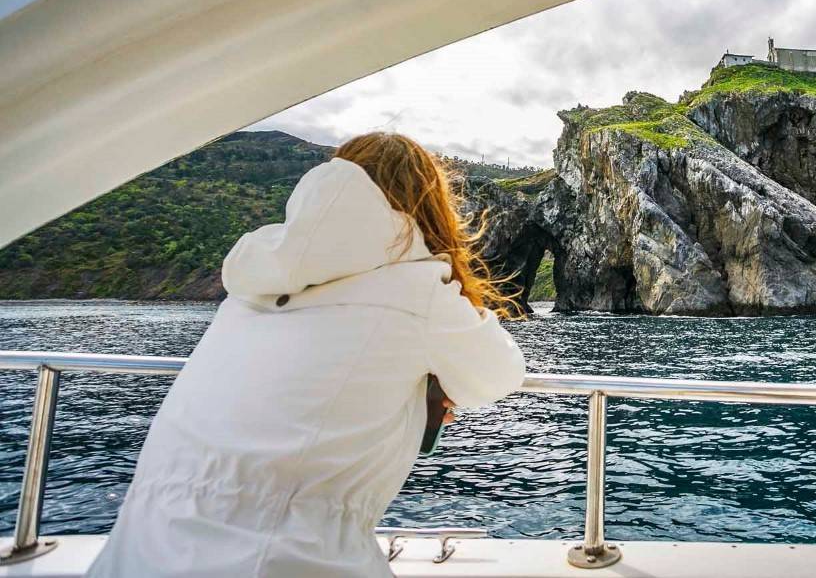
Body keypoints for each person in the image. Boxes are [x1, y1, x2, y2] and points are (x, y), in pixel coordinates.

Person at [88, 132, 527, 577]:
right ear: (427, 204)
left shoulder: (256, 275)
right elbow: (500, 374)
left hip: (138, 546)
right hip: (285, 555)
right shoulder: (416, 289)